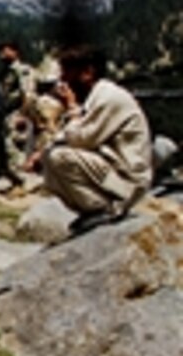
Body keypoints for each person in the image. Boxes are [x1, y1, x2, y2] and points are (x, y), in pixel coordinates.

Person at [31, 45, 152, 235]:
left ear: (87, 72)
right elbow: (73, 132)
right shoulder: (94, 98)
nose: (63, 80)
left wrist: (70, 107)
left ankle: (102, 207)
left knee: (59, 158)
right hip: (112, 169)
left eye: (68, 72)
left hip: (127, 178)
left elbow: (81, 139)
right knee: (49, 157)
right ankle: (92, 209)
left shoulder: (109, 98)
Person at [0, 40, 35, 188]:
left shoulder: (22, 70)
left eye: (5, 50)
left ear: (15, 52)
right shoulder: (5, 73)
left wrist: (23, 115)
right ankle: (12, 182)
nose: (2, 54)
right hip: (5, 115)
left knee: (15, 150)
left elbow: (28, 95)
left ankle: (20, 182)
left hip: (16, 114)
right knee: (6, 149)